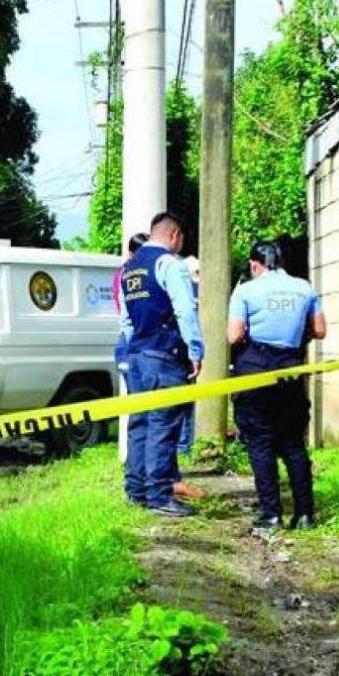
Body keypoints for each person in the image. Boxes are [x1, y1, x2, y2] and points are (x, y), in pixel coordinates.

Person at [227, 239, 327, 531]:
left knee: (261, 443)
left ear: (254, 265)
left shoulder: (245, 291)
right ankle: (305, 514)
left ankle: (271, 514)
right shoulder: (305, 288)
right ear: (281, 262)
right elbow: (319, 330)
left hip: (254, 372)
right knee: (293, 442)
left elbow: (234, 336)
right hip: (291, 370)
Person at [119, 211, 204, 517]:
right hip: (165, 356)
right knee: (163, 426)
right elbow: (185, 310)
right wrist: (195, 350)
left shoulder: (129, 269)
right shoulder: (169, 264)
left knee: (139, 423)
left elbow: (126, 320)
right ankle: (159, 496)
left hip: (138, 356)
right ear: (174, 235)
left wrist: (134, 350)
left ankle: (136, 490)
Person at [113, 232, 149, 383]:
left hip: (128, 339)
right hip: (132, 340)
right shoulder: (128, 275)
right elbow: (126, 316)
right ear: (131, 253)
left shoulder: (122, 273)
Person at [176, 256, 201, 457]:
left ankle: (183, 447)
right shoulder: (189, 291)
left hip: (176, 352)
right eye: (197, 274)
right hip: (183, 354)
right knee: (185, 405)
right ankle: (184, 448)